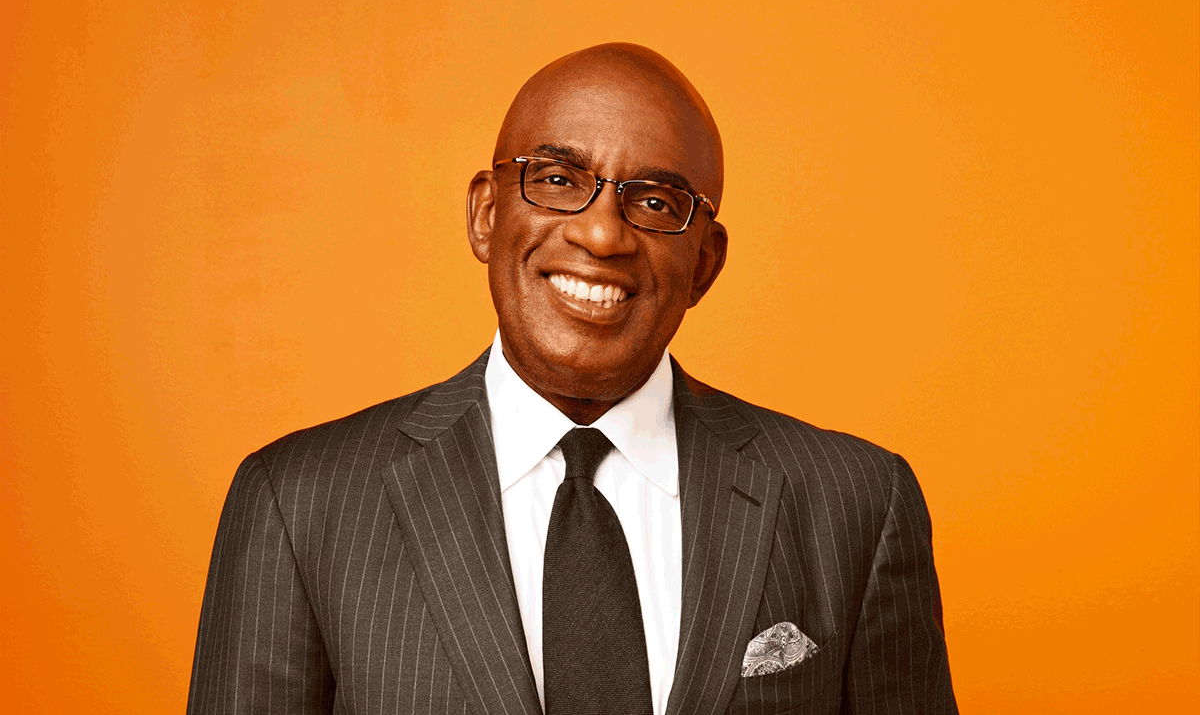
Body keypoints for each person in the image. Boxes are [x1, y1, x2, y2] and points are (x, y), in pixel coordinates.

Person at [187, 43, 957, 715]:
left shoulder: (857, 506)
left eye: (654, 201)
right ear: (486, 215)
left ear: (705, 263)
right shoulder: (298, 504)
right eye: (557, 179)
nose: (600, 233)